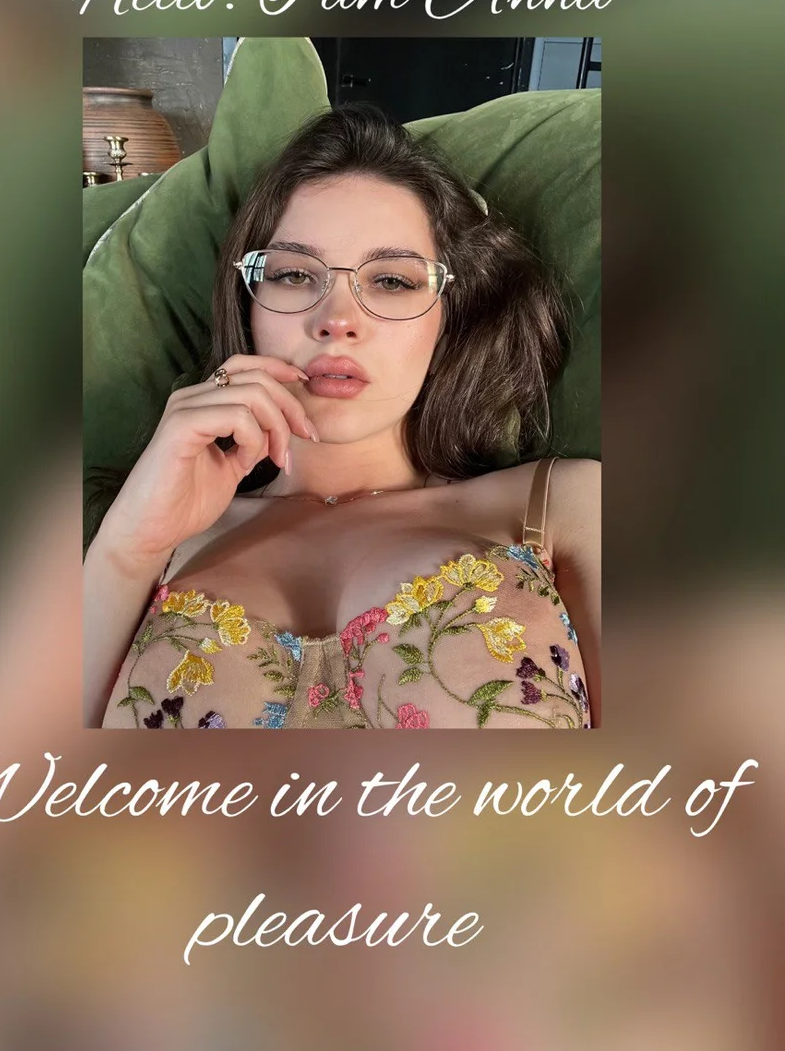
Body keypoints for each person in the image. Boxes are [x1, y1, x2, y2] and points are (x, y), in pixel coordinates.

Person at [84, 104, 600, 730]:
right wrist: (128, 546)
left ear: (448, 315)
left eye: (392, 282)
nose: (336, 319)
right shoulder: (152, 536)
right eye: (294, 274)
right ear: (248, 306)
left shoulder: (566, 507)